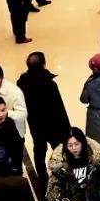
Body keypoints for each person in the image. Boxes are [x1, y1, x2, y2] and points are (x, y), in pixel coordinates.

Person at [16, 51, 71, 184]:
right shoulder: (49, 84)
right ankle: (61, 174)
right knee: (58, 151)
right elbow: (59, 107)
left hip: (36, 125)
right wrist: (67, 128)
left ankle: (43, 178)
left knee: (39, 152)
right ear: (44, 64)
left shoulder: (22, 83)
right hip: (53, 125)